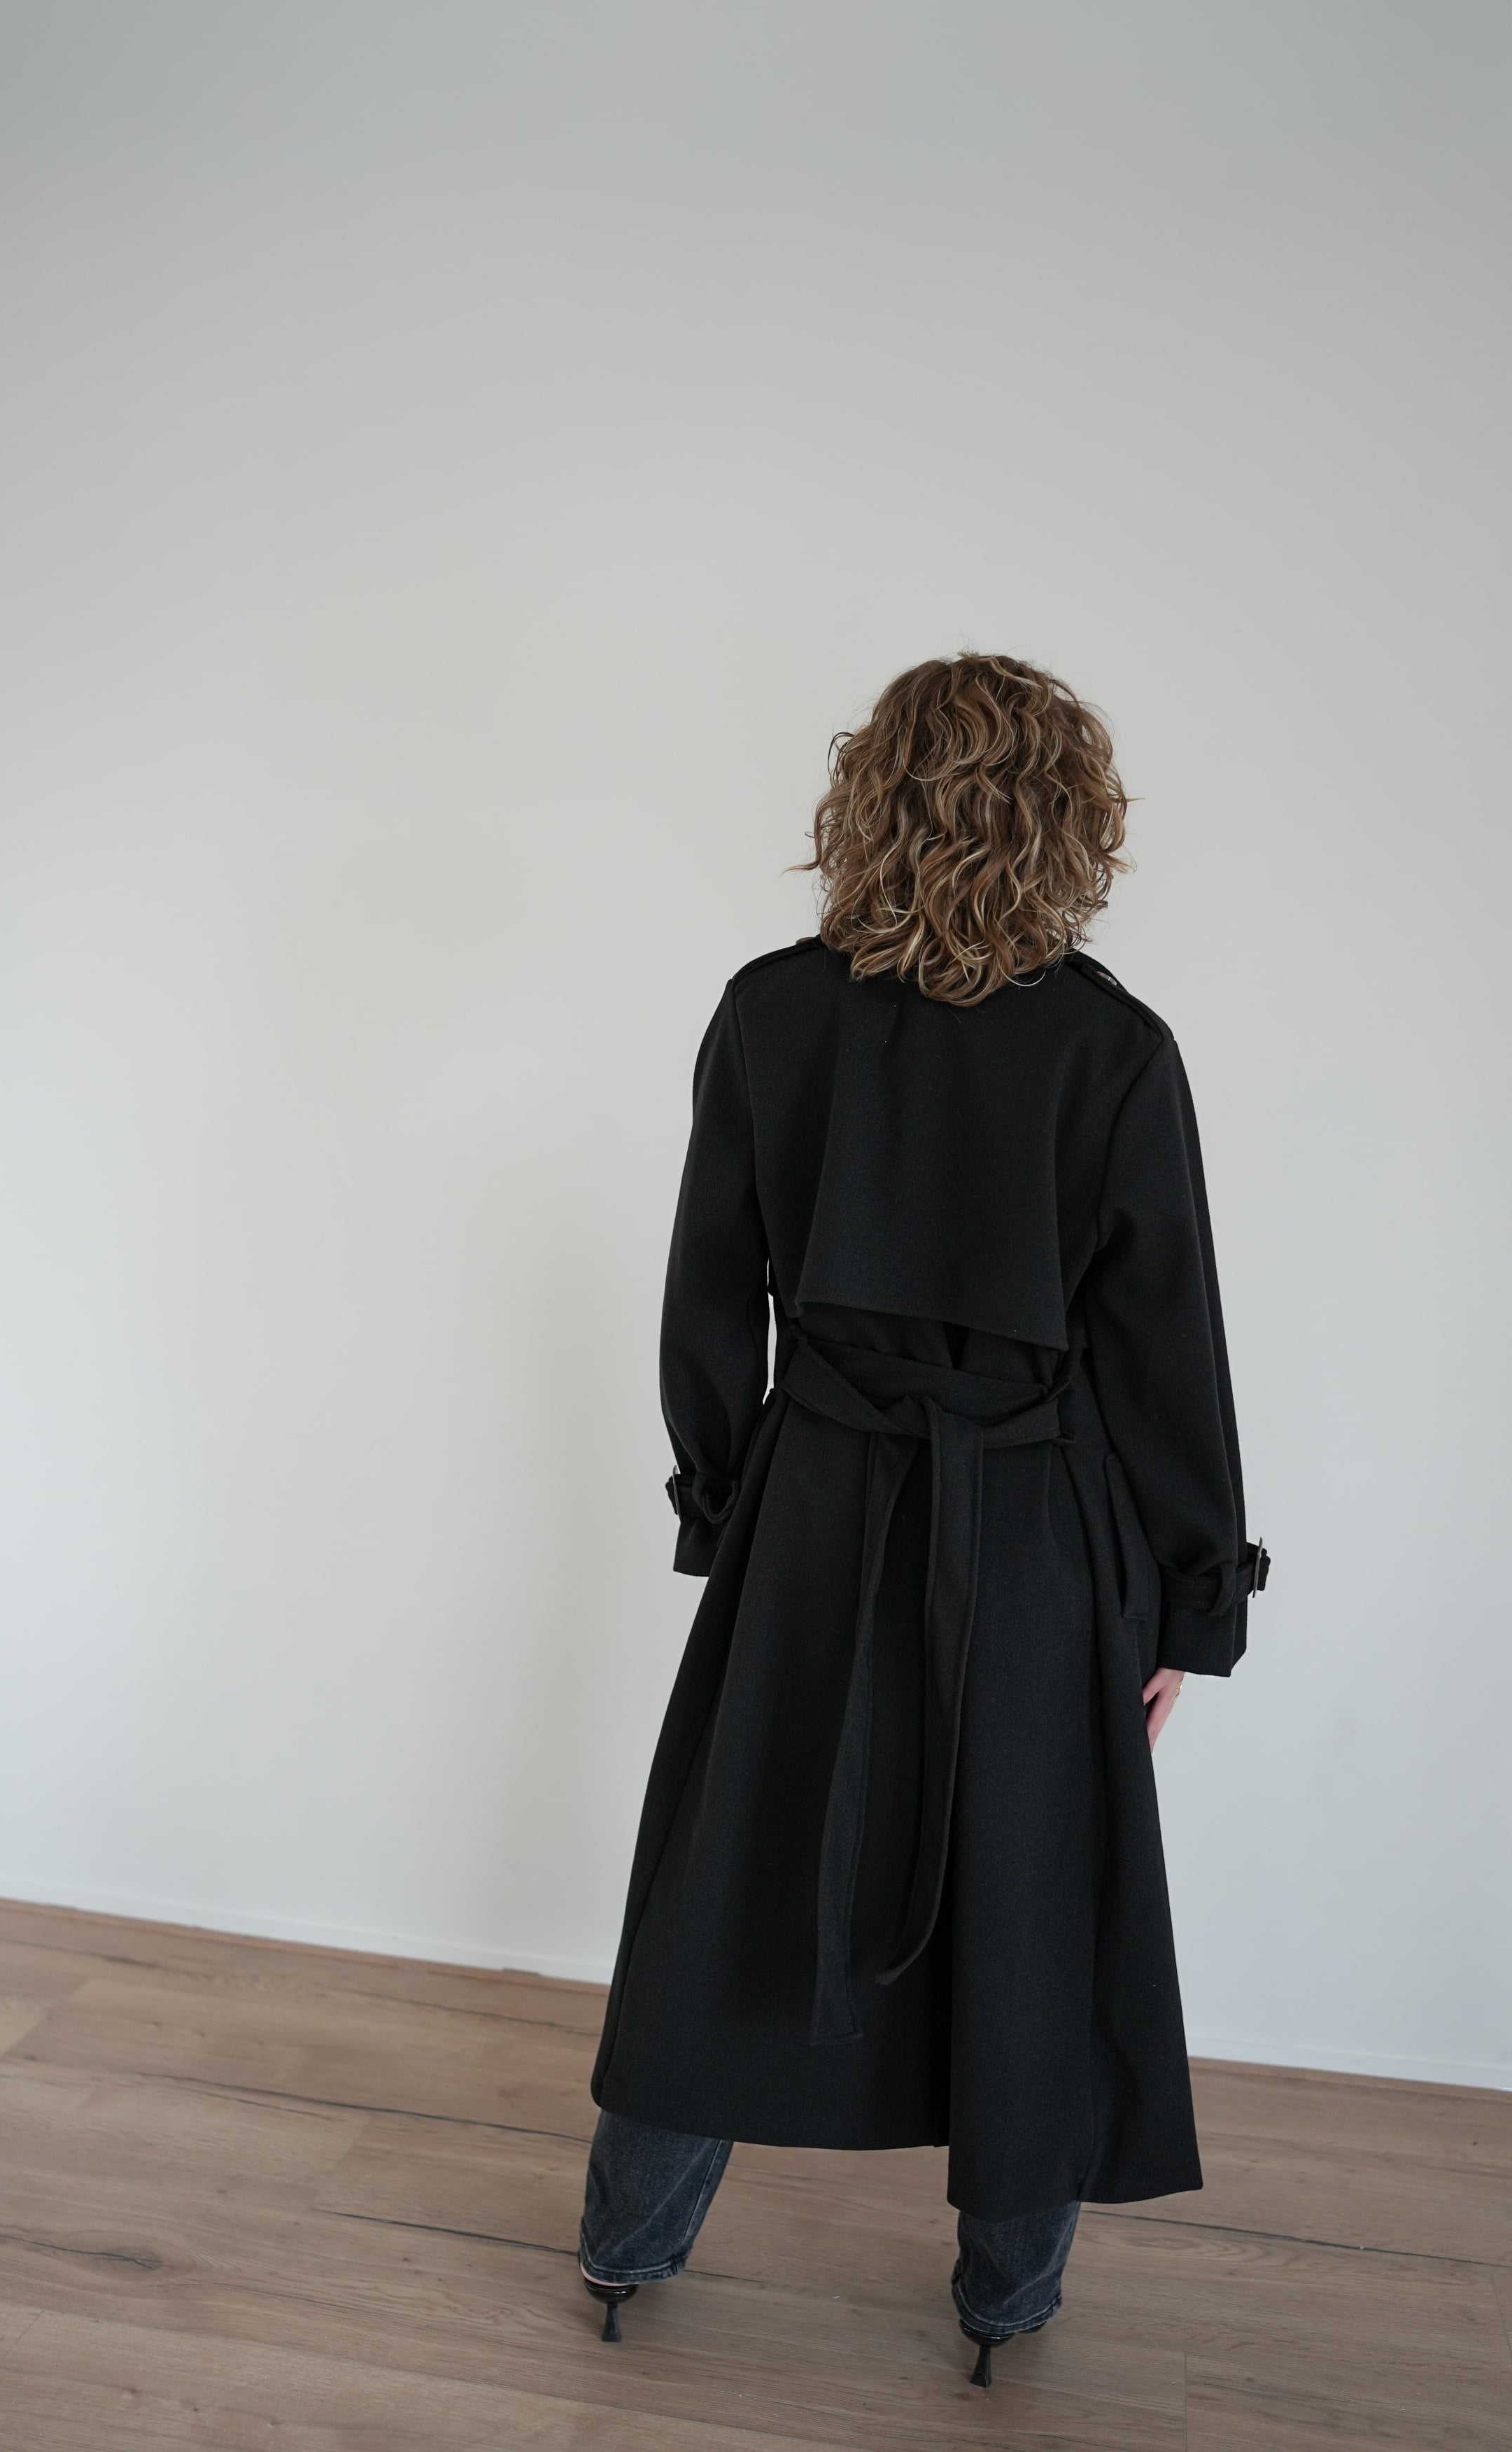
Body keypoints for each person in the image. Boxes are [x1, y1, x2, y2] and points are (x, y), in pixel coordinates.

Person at [577, 652, 1267, 2388]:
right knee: (1033, 1894)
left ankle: (626, 2248)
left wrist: (728, 1508)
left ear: (866, 800)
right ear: (1070, 820)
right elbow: (1165, 1353)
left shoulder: (770, 1012)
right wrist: (1187, 1603)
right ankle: (1004, 2303)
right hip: (1036, 1532)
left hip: (812, 1509)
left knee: (729, 1875)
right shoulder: (1111, 1051)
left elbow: (705, 1296)